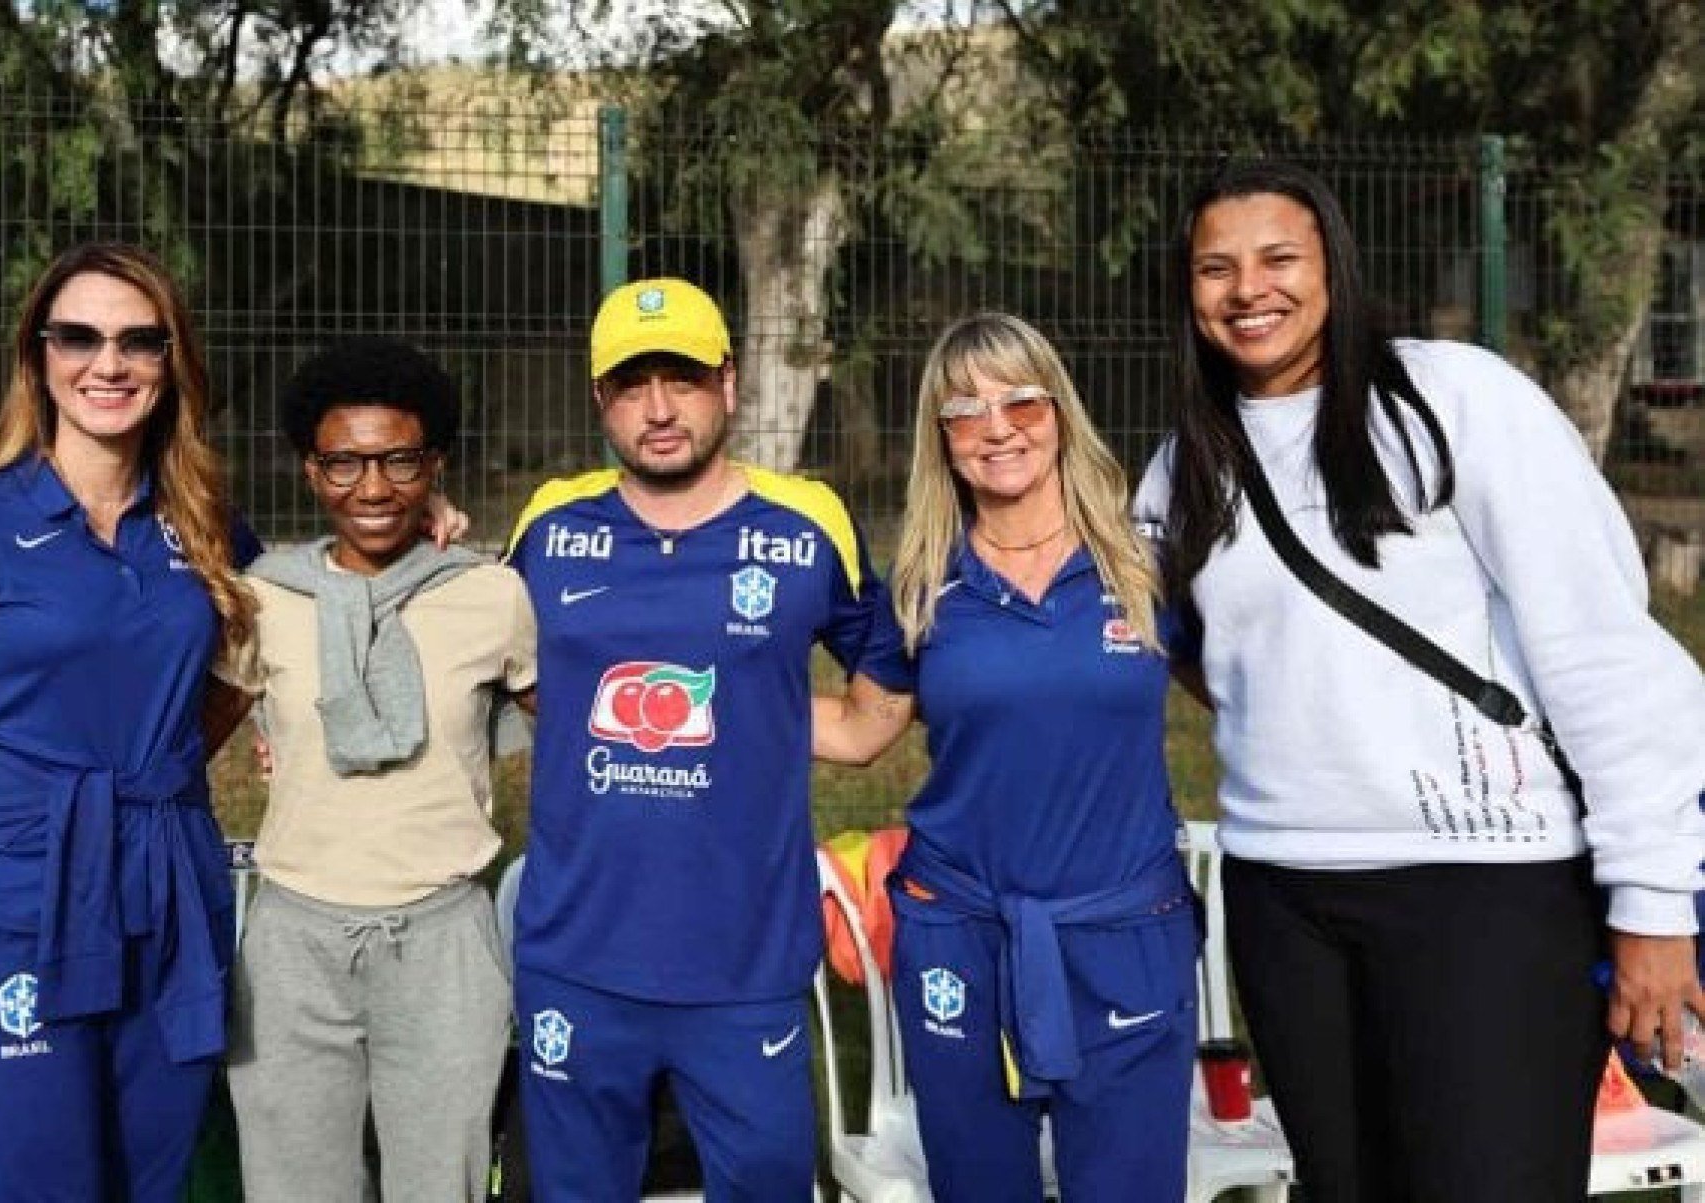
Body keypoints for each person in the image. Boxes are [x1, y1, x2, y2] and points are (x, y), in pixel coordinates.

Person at [1133, 159, 1705, 1201]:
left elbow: (1601, 650)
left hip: (1485, 892)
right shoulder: (1182, 467)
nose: (1246, 288)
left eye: (1277, 259)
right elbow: (1200, 656)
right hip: (1285, 897)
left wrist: (1653, 900)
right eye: (1215, 268)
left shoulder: (1456, 398)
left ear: (1334, 272)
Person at [0, 241, 262, 1202]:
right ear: (38, 355)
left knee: (152, 1178)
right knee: (35, 1180)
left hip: (171, 891)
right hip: (18, 898)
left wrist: (429, 527)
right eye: (79, 336)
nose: (110, 363)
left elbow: (261, 660)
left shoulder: (208, 526)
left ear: (173, 362)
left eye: (141, 341)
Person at [503, 276, 879, 1201]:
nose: (660, 409)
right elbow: (493, 663)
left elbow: (881, 691)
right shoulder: (549, 527)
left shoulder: (808, 524)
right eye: (632, 385)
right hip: (577, 957)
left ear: (730, 383)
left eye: (684, 379)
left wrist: (773, 728)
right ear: (602, 399)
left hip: (745, 963)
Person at [813, 312, 1201, 1202]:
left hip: (1126, 933)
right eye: (965, 409)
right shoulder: (918, 584)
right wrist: (700, 694)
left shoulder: (1147, 565)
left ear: (1059, 409)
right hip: (962, 935)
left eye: (1020, 399)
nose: (997, 426)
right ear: (940, 439)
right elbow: (864, 729)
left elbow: (1253, 691)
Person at [214, 338, 534, 1202]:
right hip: (294, 944)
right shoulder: (263, 600)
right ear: (310, 471)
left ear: (434, 463)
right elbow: (183, 746)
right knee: (293, 1184)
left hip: (441, 937)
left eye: (399, 459)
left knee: (443, 1182)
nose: (373, 486)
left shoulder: (492, 593)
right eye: (345, 462)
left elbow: (579, 739)